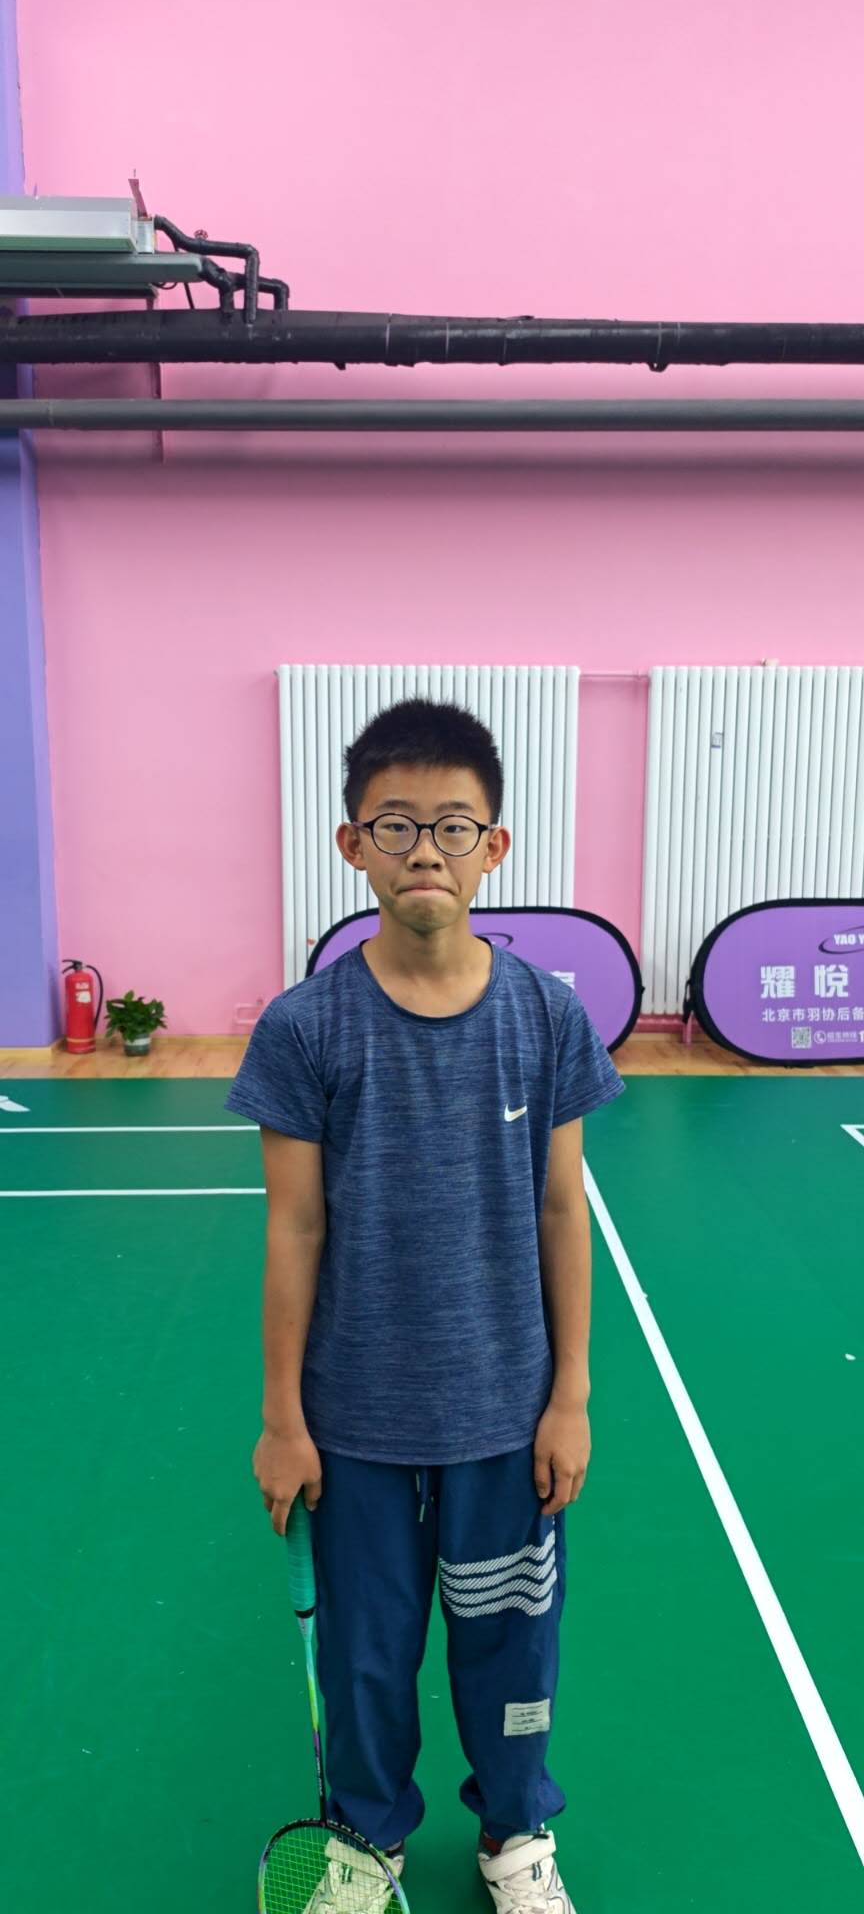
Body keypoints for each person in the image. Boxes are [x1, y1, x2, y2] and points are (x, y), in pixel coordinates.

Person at [225, 697, 626, 1912]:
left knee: (513, 1650)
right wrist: (282, 1417)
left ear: (494, 848)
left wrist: (571, 1394)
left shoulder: (545, 1014)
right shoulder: (305, 1028)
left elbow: (562, 1208)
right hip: (354, 1424)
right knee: (366, 1659)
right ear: (353, 845)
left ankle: (516, 1835)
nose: (425, 851)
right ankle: (366, 1840)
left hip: (506, 1419)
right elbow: (294, 1229)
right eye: (395, 824)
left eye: (454, 825)